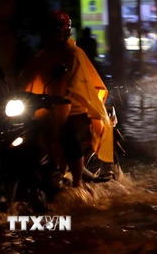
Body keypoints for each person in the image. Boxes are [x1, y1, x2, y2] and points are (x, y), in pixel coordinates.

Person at [18, 11, 114, 188]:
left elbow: (73, 84)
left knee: (68, 135)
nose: (50, 35)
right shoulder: (42, 56)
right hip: (49, 106)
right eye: (47, 31)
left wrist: (62, 98)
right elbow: (25, 78)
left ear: (64, 33)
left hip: (77, 109)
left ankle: (77, 183)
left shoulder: (74, 54)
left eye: (54, 31)